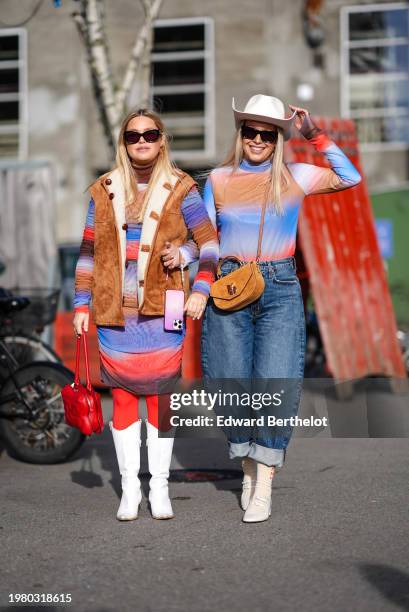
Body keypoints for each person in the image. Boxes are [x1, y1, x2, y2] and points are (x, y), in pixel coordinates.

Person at [178, 94, 361, 523]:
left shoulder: (296, 175)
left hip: (279, 287)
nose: (258, 139)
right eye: (250, 131)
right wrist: (184, 258)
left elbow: (349, 176)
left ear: (278, 138)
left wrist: (314, 135)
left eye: (267, 133)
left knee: (275, 385)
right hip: (228, 285)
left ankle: (264, 481)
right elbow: (207, 240)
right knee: (228, 382)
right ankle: (246, 462)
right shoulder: (219, 179)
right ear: (240, 134)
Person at [73, 108, 218, 522]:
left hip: (165, 307)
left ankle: (160, 488)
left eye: (150, 134)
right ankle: (130, 488)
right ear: (123, 142)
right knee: (121, 398)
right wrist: (81, 305)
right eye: (133, 135)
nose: (142, 141)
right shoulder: (104, 189)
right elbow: (88, 251)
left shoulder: (181, 187)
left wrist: (196, 276)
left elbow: (208, 243)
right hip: (114, 309)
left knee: (160, 398)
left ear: (161, 140)